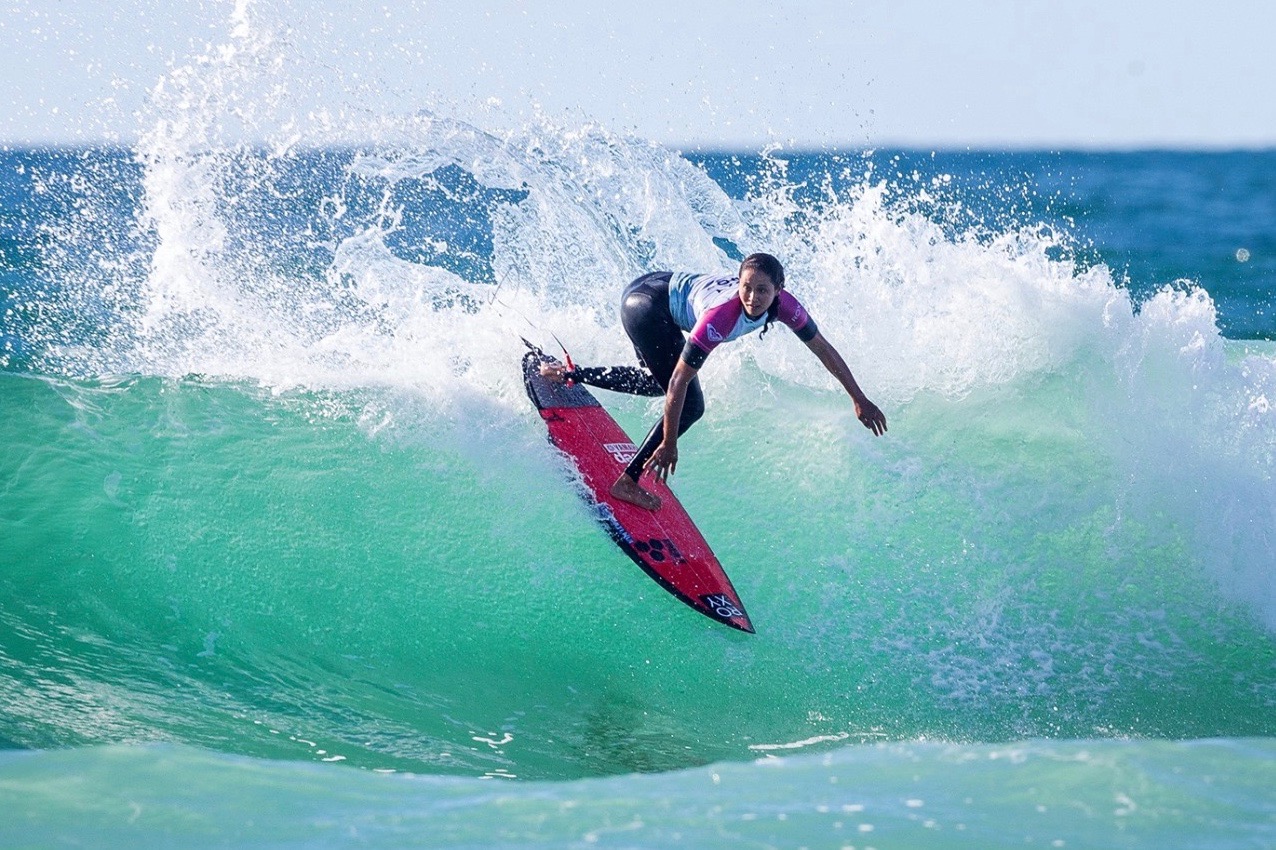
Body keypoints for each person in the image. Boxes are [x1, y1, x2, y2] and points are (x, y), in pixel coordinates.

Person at [541, 252, 887, 511]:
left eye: (762, 290)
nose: (752, 297)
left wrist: (858, 397)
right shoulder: (720, 318)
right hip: (647, 307)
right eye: (746, 288)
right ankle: (627, 482)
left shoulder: (788, 308)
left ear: (780, 290)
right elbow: (680, 382)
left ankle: (570, 374)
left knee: (655, 382)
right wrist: (669, 442)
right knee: (690, 404)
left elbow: (823, 349)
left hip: (651, 288)